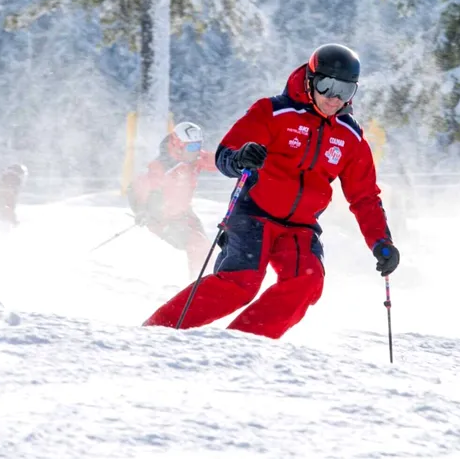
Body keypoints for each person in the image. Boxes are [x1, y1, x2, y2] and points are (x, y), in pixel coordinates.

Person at [144, 44, 400, 339]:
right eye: (327, 85)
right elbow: (226, 153)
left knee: (307, 282)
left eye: (345, 90)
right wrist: (240, 158)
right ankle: (157, 331)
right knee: (241, 283)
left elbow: (364, 196)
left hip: (300, 228)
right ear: (310, 79)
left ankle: (242, 342)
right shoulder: (274, 112)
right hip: (254, 214)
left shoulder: (350, 136)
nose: (334, 98)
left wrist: (381, 241)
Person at [128, 122, 219, 277]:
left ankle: (209, 282)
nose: (196, 151)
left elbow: (216, 161)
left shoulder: (194, 158)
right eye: (191, 147)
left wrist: (238, 160)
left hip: (184, 214)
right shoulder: (160, 167)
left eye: (198, 145)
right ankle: (197, 285)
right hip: (163, 219)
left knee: (208, 249)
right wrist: (141, 210)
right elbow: (137, 188)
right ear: (178, 144)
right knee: (197, 244)